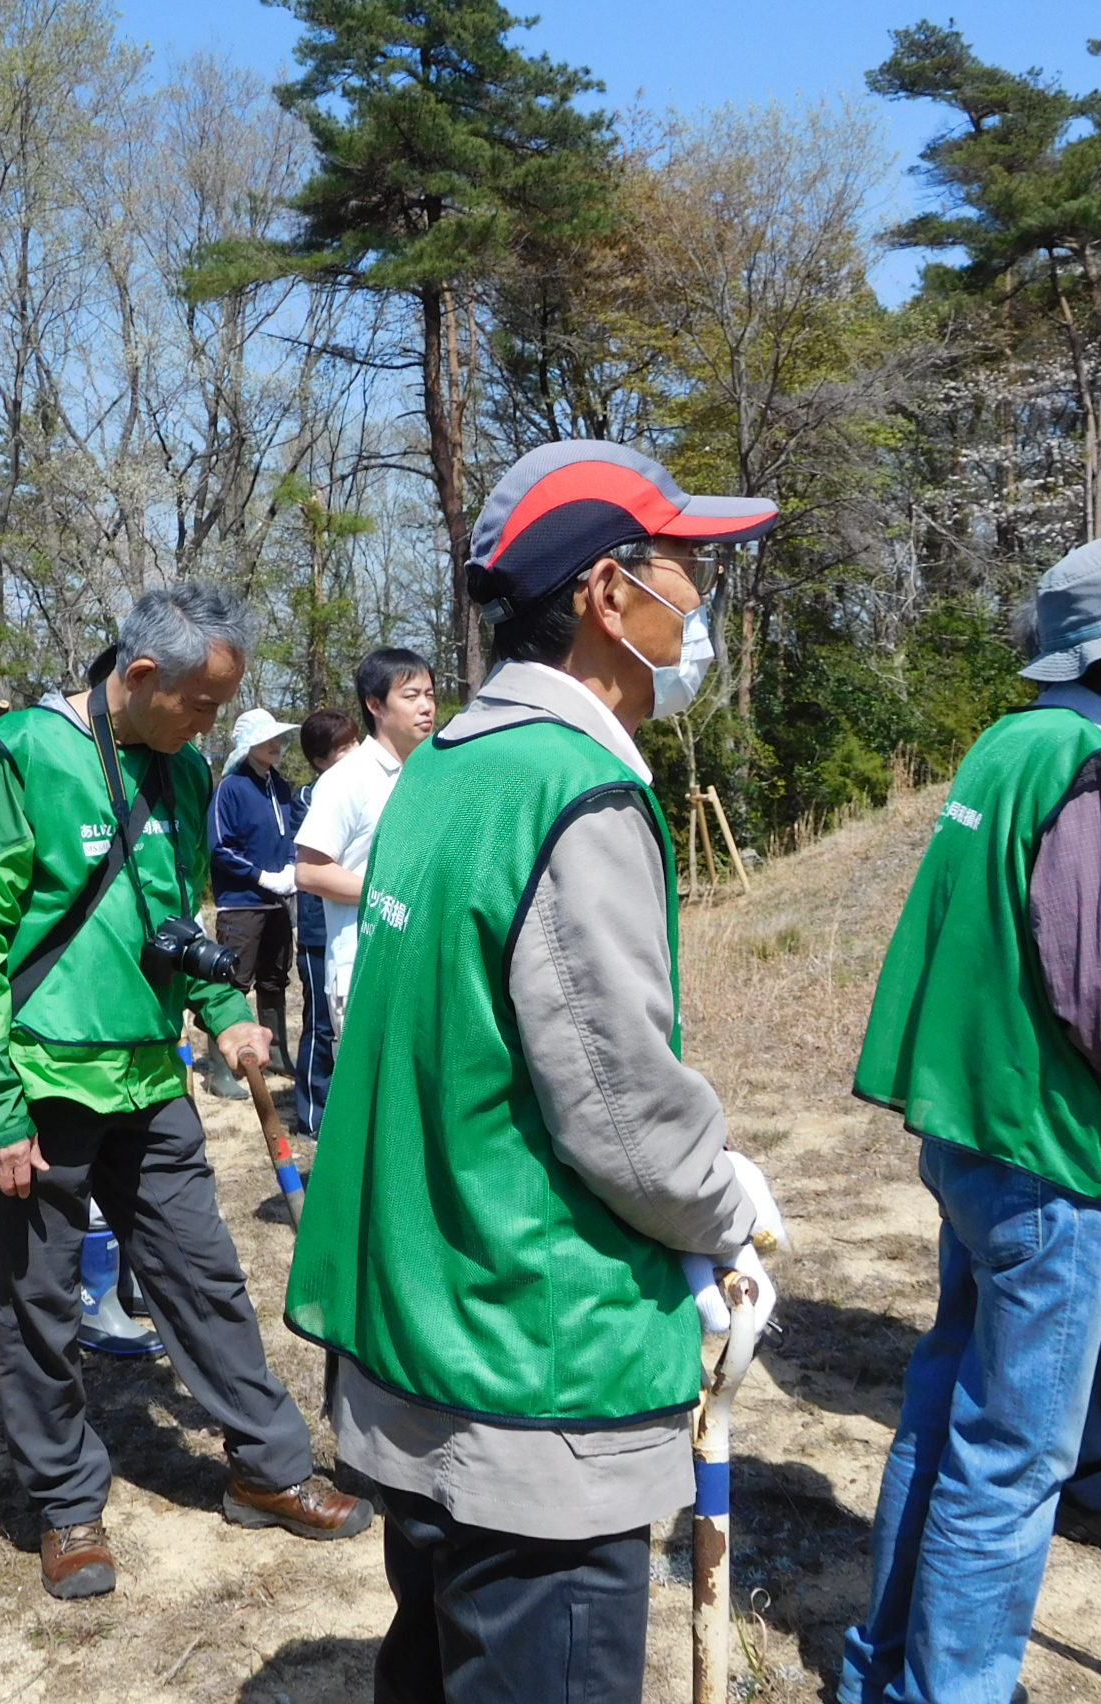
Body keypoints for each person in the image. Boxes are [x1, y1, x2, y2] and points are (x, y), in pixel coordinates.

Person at [287, 441, 786, 1704]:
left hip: (422, 1341)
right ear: (608, 597)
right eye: (688, 576)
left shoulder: (448, 765)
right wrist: (726, 1201)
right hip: (533, 1383)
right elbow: (622, 1116)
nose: (701, 611)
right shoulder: (574, 792)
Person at [841, 531, 1101, 1704]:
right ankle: (951, 1690)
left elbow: (1021, 942)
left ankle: (883, 1672)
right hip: (1047, 1155)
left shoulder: (1010, 744)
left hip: (974, 1131)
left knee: (943, 1412)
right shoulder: (1086, 768)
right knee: (1012, 1460)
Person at [0, 583, 371, 1604]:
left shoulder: (180, 769)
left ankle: (268, 1467)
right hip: (38, 1083)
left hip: (147, 1079)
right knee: (39, 1304)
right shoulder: (22, 758)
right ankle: (67, 1505)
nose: (214, 723)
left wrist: (221, 1014)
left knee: (203, 1275)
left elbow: (173, 919)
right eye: (202, 703)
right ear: (137, 678)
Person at [295, 647, 435, 1036]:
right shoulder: (347, 779)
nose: (425, 707)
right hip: (362, 972)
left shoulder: (432, 774)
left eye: (430, 695)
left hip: (423, 969)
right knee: (367, 1097)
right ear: (375, 704)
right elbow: (308, 871)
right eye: (410, 696)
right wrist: (392, 896)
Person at [204, 705, 302, 1100]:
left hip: (279, 900)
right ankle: (220, 1068)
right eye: (268, 739)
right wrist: (260, 876)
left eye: (278, 738)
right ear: (249, 746)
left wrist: (293, 866)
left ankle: (276, 1052)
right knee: (231, 982)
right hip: (242, 902)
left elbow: (293, 832)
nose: (276, 745)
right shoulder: (230, 788)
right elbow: (220, 847)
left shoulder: (280, 786)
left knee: (275, 976)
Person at [289, 707, 358, 1138]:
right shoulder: (310, 798)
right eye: (341, 749)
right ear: (319, 760)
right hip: (318, 928)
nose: (352, 754)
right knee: (318, 1021)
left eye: (354, 744)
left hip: (350, 927)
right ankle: (312, 1113)